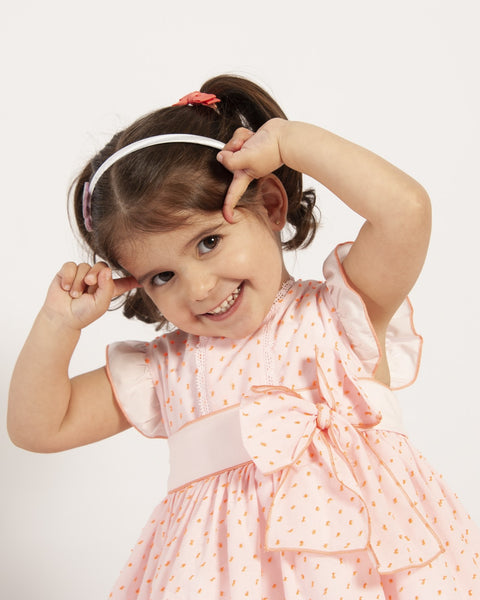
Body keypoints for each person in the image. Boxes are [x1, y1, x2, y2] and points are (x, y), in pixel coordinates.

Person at [8, 75, 480, 599]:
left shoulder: (340, 312)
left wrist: (290, 143)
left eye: (209, 242)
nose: (199, 288)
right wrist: (57, 324)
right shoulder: (168, 369)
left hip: (369, 574)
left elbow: (406, 210)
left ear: (272, 206)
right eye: (162, 276)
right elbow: (38, 428)